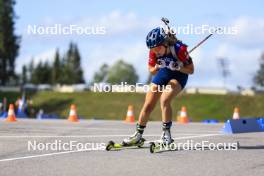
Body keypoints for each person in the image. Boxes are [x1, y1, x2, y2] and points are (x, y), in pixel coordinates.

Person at [123, 27, 194, 145]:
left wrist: (178, 67)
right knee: (148, 103)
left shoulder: (180, 49)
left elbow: (191, 70)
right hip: (163, 73)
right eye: (153, 49)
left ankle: (167, 136)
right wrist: (157, 67)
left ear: (165, 43)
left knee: (165, 99)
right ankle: (138, 135)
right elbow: (151, 70)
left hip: (179, 75)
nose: (155, 51)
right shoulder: (153, 51)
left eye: (158, 48)